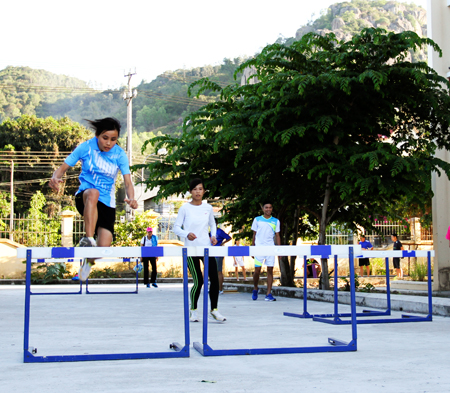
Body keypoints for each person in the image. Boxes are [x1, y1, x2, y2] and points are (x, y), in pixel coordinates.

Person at [49, 117, 138, 281]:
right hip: (86, 196)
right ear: (97, 135)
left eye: (113, 139)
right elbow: (62, 168)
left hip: (107, 203)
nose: (108, 143)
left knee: (104, 245)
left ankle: (88, 264)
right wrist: (55, 177)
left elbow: (127, 181)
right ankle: (88, 238)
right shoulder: (85, 147)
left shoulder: (119, 154)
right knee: (94, 193)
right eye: (105, 138)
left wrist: (131, 198)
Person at [173, 178, 226, 322]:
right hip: (191, 250)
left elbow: (212, 224)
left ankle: (214, 310)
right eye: (195, 189)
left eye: (200, 189)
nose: (198, 192)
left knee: (214, 279)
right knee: (198, 282)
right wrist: (186, 234)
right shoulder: (185, 208)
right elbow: (176, 227)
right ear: (190, 191)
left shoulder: (208, 208)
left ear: (204, 191)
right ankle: (193, 310)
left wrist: (213, 236)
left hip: (206, 248)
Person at [251, 202, 281, 301]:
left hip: (270, 248)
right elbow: (254, 234)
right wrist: (253, 247)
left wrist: (278, 250)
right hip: (259, 248)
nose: (268, 209)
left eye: (270, 207)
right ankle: (255, 288)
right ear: (263, 209)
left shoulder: (276, 221)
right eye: (266, 207)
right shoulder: (257, 220)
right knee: (257, 271)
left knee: (270, 270)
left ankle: (268, 293)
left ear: (272, 209)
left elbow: (277, 235)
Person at [213, 218, 232, 294]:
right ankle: (213, 288)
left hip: (218, 253)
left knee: (219, 271)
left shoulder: (219, 231)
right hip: (211, 252)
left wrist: (222, 243)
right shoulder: (210, 232)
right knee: (212, 271)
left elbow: (229, 238)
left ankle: (220, 289)